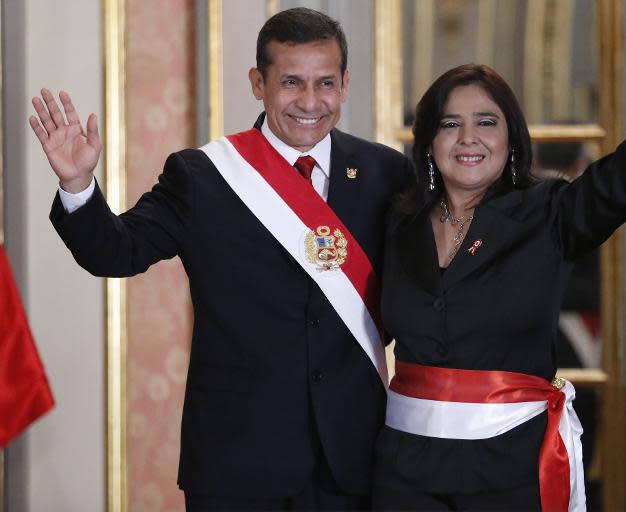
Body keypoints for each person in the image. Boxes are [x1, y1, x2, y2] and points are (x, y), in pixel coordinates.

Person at [29, 7, 410, 511]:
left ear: (345, 84)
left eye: (325, 83)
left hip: (354, 459)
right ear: (258, 83)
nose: (311, 102)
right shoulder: (204, 177)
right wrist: (78, 185)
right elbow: (115, 251)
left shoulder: (385, 173)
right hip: (238, 462)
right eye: (291, 82)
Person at [373, 13, 626, 511]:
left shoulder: (548, 213)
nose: (469, 139)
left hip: (509, 464)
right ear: (429, 143)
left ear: (511, 139)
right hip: (403, 468)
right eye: (451, 124)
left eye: (486, 123)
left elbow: (619, 181)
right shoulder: (398, 223)